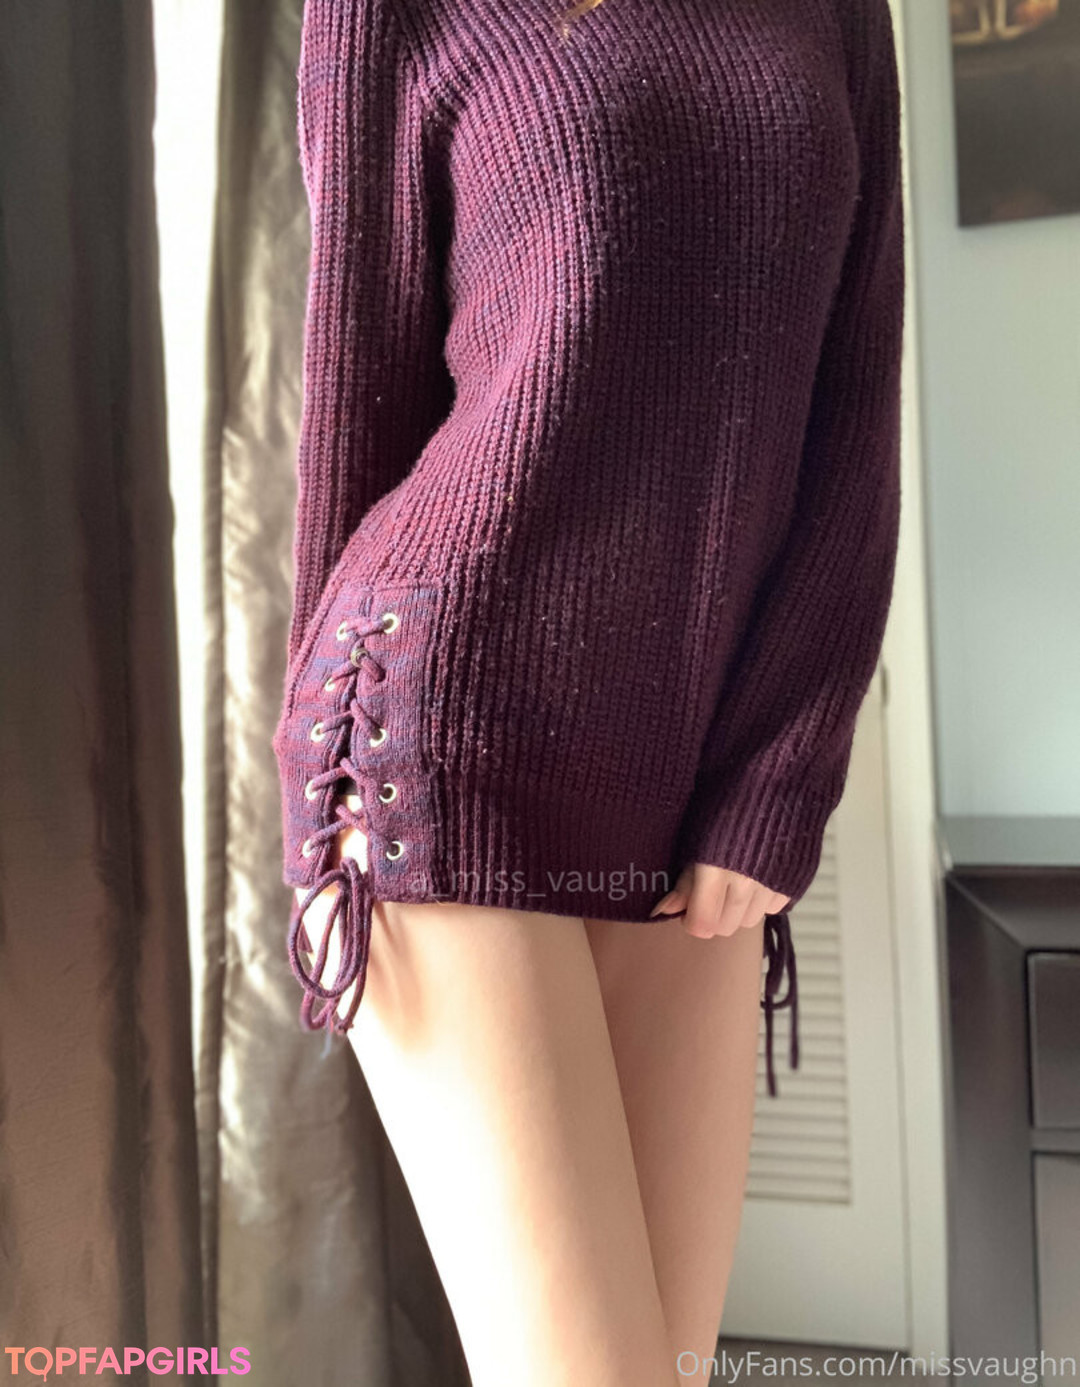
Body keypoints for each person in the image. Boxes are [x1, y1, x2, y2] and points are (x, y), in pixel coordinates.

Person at [271, 0, 905, 1382]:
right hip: (441, 735)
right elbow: (356, 396)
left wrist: (781, 777)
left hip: (690, 774)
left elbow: (856, 410)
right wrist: (318, 807)